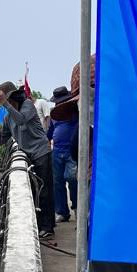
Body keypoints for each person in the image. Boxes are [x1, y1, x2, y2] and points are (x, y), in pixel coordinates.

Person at [0, 80, 55, 242]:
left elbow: (21, 120)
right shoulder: (8, 118)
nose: (5, 105)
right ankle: (40, 225)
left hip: (41, 153)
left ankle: (48, 227)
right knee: (35, 192)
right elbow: (2, 137)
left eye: (6, 101)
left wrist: (6, 104)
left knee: (45, 191)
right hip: (29, 156)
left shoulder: (27, 105)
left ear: (12, 97)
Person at [48, 86, 79, 222]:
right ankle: (62, 211)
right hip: (57, 150)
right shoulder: (54, 114)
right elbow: (50, 131)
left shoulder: (74, 110)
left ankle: (77, 207)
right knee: (57, 181)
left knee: (72, 178)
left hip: (71, 149)